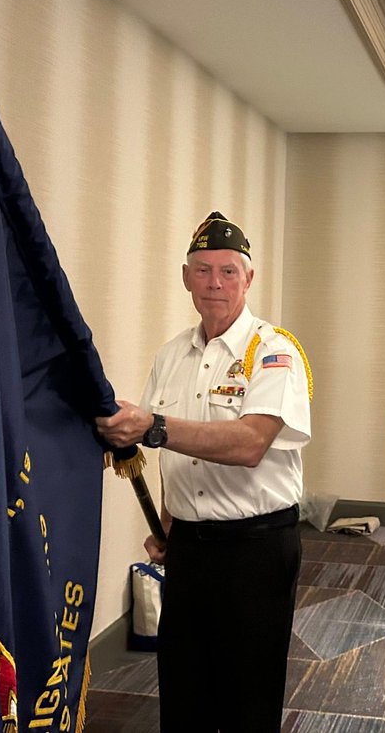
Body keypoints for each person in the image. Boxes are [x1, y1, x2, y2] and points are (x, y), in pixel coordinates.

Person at [97, 211, 311, 732]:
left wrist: (154, 426)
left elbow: (250, 443)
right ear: (186, 276)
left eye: (229, 271)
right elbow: (176, 460)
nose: (215, 283)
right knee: (184, 693)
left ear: (249, 278)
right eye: (203, 270)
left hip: (257, 550)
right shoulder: (172, 354)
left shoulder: (274, 351)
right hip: (191, 549)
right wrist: (170, 525)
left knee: (248, 700)